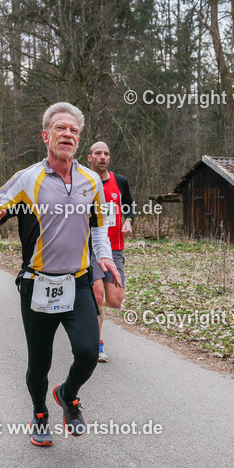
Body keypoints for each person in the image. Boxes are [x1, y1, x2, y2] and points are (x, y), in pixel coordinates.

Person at [0, 102, 120, 447]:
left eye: (73, 130)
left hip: (79, 282)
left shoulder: (91, 181)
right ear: (45, 136)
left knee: (87, 352)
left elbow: (99, 229)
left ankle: (68, 394)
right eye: (60, 128)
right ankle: (40, 412)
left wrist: (105, 258)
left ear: (78, 140)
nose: (67, 134)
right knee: (40, 362)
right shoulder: (27, 179)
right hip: (37, 285)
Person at [87, 141, 134, 363]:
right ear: (90, 158)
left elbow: (129, 205)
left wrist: (129, 220)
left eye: (106, 153)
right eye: (98, 153)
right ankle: (97, 345)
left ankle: (82, 304)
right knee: (97, 295)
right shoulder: (83, 181)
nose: (102, 157)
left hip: (115, 246)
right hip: (92, 247)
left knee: (115, 300)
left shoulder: (120, 181)